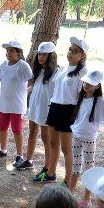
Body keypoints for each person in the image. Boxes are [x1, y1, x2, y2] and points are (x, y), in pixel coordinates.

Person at [37, 37, 88, 184]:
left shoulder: (82, 72)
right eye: (70, 50)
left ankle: (67, 180)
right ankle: (51, 173)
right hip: (55, 107)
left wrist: (76, 116)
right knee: (53, 143)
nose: (71, 53)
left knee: (66, 148)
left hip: (68, 110)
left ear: (82, 55)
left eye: (75, 51)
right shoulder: (64, 69)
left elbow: (81, 97)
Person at [69, 70, 104, 208]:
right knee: (75, 166)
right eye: (85, 82)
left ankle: (87, 198)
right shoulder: (82, 97)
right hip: (76, 135)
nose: (86, 85)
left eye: (90, 84)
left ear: (97, 86)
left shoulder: (100, 102)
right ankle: (70, 193)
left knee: (88, 167)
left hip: (89, 139)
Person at [22, 41, 60, 170]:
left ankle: (48, 166)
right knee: (32, 132)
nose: (40, 57)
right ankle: (28, 160)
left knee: (46, 138)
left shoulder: (56, 72)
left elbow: (55, 90)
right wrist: (27, 90)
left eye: (44, 55)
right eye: (39, 54)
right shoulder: (38, 70)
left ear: (51, 56)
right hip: (34, 104)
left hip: (46, 108)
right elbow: (36, 85)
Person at [0, 40, 32, 167]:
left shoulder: (23, 66)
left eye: (11, 51)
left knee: (17, 130)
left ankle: (19, 156)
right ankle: (3, 150)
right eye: (7, 51)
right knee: (3, 128)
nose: (8, 53)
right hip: (4, 103)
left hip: (17, 105)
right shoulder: (4, 65)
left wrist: (26, 91)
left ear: (18, 52)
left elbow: (32, 80)